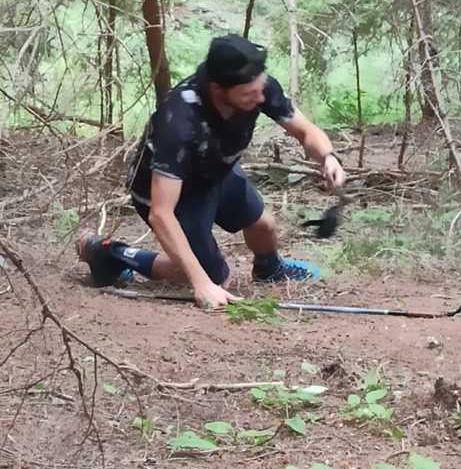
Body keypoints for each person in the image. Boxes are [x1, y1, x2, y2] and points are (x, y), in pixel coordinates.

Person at [77, 33, 346, 311]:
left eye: (260, 89)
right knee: (212, 278)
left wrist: (328, 157)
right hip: (171, 193)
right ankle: (113, 254)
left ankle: (269, 270)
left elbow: (306, 131)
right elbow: (161, 213)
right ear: (218, 89)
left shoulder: (257, 87)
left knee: (264, 226)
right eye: (249, 94)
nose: (260, 98)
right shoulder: (179, 121)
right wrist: (201, 283)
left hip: (215, 172)